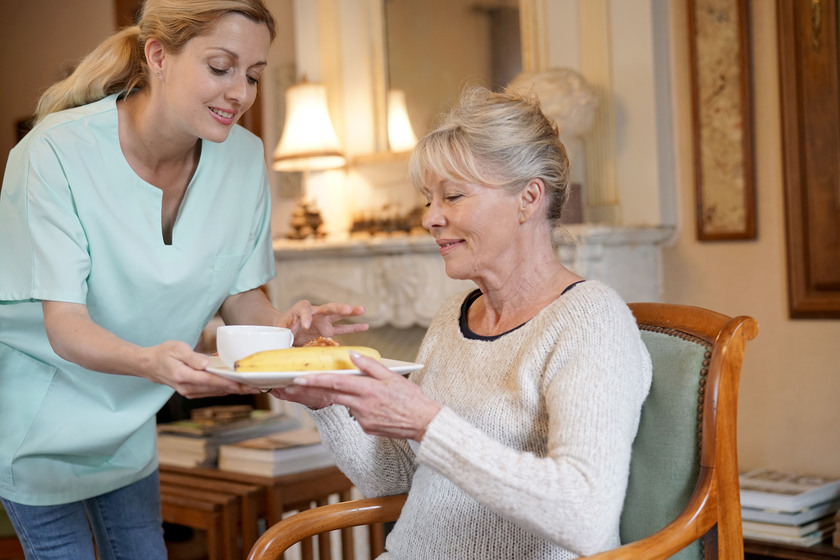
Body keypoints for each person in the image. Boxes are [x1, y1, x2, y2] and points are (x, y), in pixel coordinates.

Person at [0, 1, 367, 558]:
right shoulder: (53, 153)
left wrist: (288, 331)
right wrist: (154, 364)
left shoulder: (244, 159)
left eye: (252, 76)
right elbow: (65, 325)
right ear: (157, 56)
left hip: (130, 423)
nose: (239, 93)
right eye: (220, 68)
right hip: (38, 424)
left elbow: (242, 297)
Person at [273, 86, 653, 559]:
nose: (431, 217)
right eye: (428, 199)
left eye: (452, 196)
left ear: (528, 198)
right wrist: (328, 397)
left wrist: (429, 424)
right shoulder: (453, 317)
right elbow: (395, 479)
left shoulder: (592, 321)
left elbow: (586, 516)